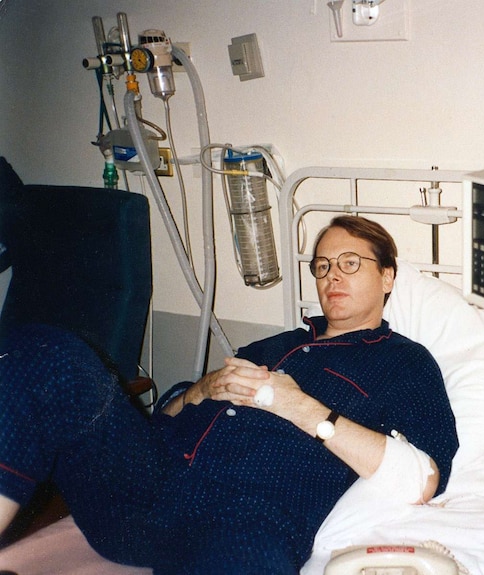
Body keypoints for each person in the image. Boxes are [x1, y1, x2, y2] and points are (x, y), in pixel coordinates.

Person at [0, 215, 459, 574]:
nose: (331, 276)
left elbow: (424, 478)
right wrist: (201, 388)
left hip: (243, 514)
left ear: (388, 277)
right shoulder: (272, 346)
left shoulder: (406, 363)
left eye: (350, 263)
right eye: (322, 266)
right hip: (146, 486)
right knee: (51, 352)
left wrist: (299, 407)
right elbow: (162, 415)